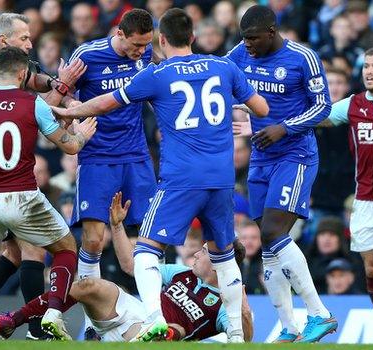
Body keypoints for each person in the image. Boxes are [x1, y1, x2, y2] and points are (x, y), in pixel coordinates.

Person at [52, 8, 269, 342]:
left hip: (177, 175)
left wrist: (68, 111)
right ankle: (237, 336)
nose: (143, 50)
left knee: (147, 251)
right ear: (193, 37)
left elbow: (107, 103)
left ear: (161, 39)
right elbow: (263, 109)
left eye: (149, 44)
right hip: (220, 177)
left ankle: (155, 318)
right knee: (225, 256)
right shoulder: (224, 66)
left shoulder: (158, 71)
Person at [0, 46, 97, 341]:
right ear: (24, 73)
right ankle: (52, 313)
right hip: (23, 195)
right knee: (65, 249)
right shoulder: (32, 103)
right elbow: (71, 147)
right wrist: (82, 135)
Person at [0, 192, 253, 342]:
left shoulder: (222, 303)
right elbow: (130, 265)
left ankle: (157, 334)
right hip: (138, 314)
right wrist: (116, 226)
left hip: (154, 336)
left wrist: (244, 311)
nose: (195, 253)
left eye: (204, 253)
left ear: (219, 264)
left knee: (176, 330)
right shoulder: (181, 273)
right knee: (86, 285)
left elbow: (245, 340)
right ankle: (14, 319)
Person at [226, 5, 336, 343]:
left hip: (296, 154)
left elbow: (323, 106)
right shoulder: (240, 54)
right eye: (244, 39)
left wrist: (283, 128)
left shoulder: (302, 57)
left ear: (272, 32)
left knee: (273, 233)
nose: (248, 45)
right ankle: (289, 327)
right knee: (269, 246)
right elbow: (219, 80)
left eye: (254, 39)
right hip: (260, 156)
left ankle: (320, 314)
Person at [65, 8, 157, 288]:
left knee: (152, 236)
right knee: (93, 239)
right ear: (119, 34)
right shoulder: (88, 55)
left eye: (145, 44)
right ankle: (93, 320)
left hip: (136, 154)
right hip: (97, 155)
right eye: (136, 45)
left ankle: (157, 308)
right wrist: (72, 107)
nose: (142, 50)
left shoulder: (149, 54)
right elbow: (63, 91)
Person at [320, 47, 373, 343]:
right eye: (366, 66)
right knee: (371, 267)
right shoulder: (354, 104)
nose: (369, 71)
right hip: (363, 197)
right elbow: (321, 118)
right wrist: (271, 117)